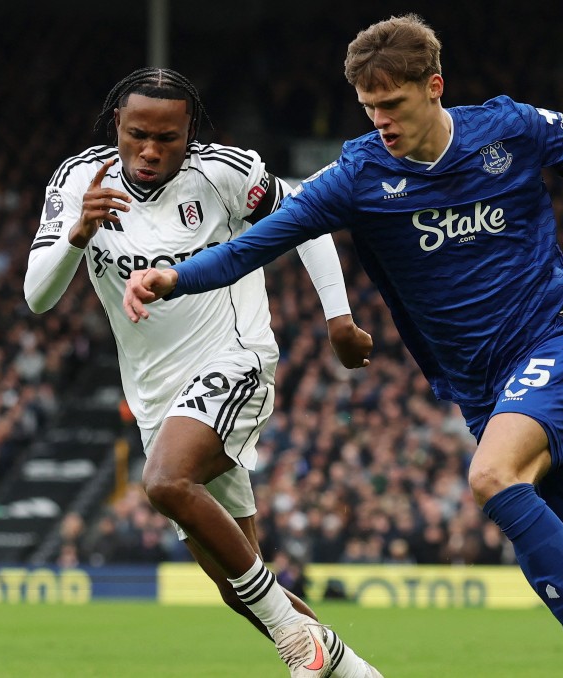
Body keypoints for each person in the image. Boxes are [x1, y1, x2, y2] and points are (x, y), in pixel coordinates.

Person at [122, 16, 563, 678]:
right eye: (369, 107)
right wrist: (175, 278)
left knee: (492, 477)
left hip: (556, 347)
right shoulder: (359, 176)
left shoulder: (511, 130)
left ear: (434, 86)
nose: (381, 120)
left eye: (393, 104)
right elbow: (254, 246)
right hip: (485, 393)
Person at [25, 67, 381, 678]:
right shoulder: (79, 180)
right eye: (137, 135)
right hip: (157, 396)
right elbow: (38, 296)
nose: (150, 150)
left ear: (190, 133)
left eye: (167, 138)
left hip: (234, 358)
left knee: (165, 481)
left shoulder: (225, 173)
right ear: (117, 125)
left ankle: (297, 640)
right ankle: (350, 669)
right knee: (238, 584)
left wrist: (339, 317)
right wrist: (78, 234)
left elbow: (309, 217)